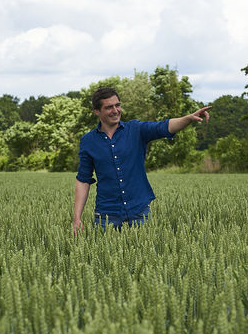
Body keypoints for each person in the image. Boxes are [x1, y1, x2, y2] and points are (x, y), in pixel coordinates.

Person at [72, 87, 211, 234]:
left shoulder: (136, 129)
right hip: (106, 215)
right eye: (109, 107)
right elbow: (83, 180)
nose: (115, 110)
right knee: (104, 256)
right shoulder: (88, 141)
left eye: (117, 105)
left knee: (144, 256)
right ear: (97, 112)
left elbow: (164, 126)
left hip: (139, 211)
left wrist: (188, 118)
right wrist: (77, 218)